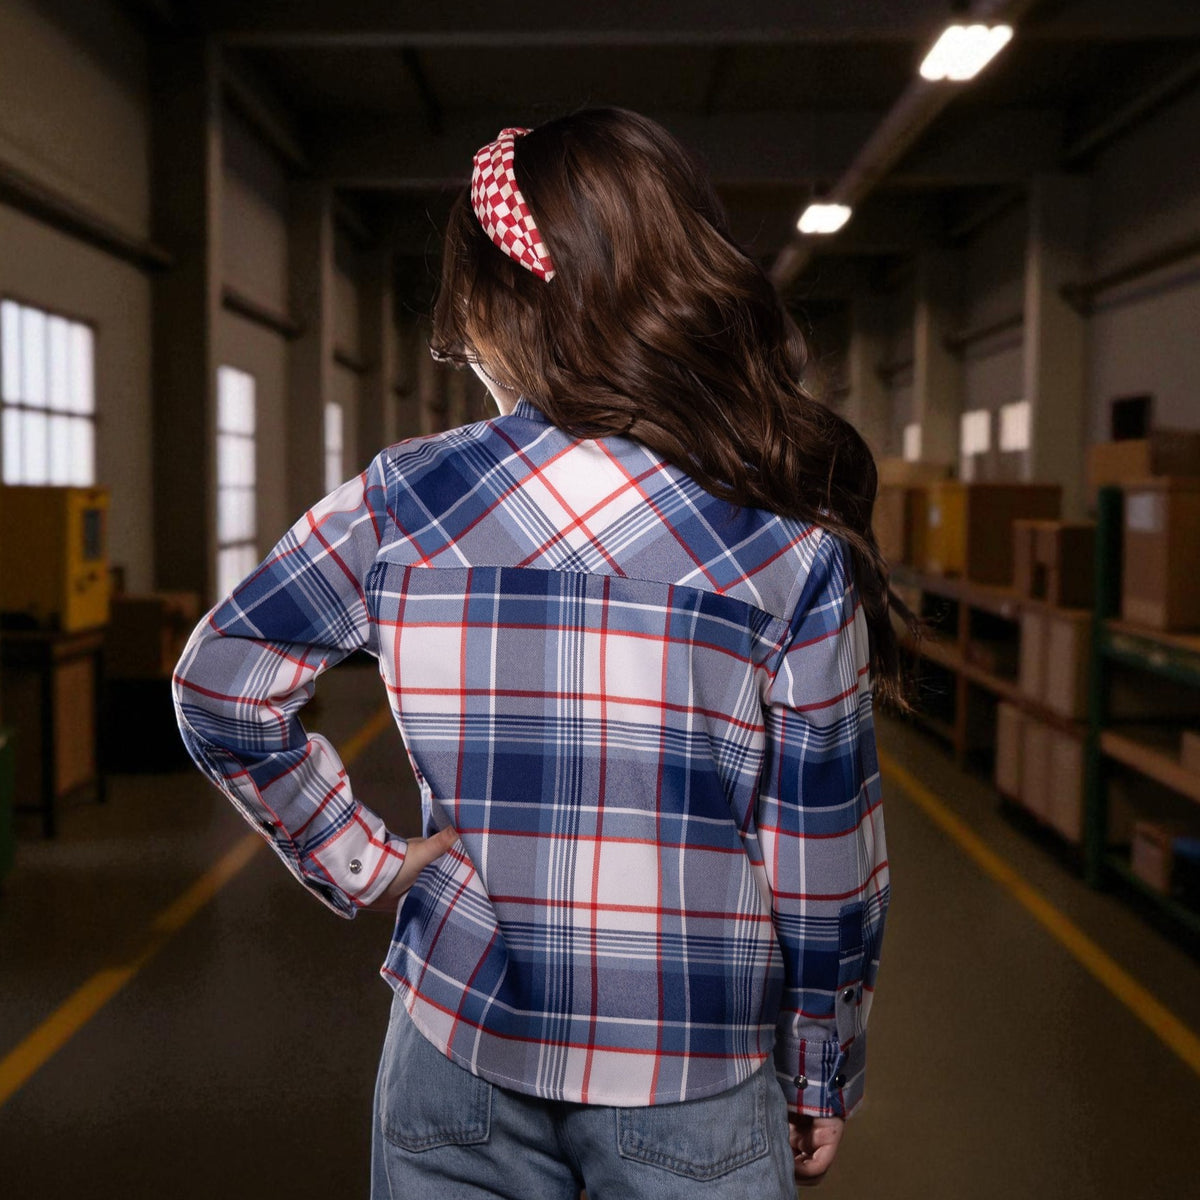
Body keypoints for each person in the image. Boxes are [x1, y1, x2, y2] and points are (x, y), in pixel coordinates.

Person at [173, 108, 914, 1198]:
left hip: (452, 1039)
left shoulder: (403, 499)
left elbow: (220, 685)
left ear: (492, 303)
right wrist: (821, 1067)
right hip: (692, 1064)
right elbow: (823, 857)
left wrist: (357, 856)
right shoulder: (781, 540)